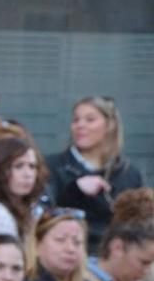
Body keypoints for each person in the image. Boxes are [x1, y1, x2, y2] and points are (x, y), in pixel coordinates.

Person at [47, 96, 144, 253]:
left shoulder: (129, 173)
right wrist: (76, 190)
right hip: (69, 256)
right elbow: (44, 215)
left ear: (110, 126)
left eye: (90, 120)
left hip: (116, 258)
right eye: (76, 120)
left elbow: (139, 226)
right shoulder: (53, 166)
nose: (80, 125)